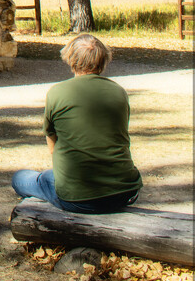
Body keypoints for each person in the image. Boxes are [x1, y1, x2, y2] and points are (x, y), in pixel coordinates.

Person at [12, 33, 142, 212]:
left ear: (70, 59)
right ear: (103, 59)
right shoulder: (118, 91)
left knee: (21, 178)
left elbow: (52, 139)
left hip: (78, 195)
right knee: (49, 178)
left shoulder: (58, 92)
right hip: (123, 191)